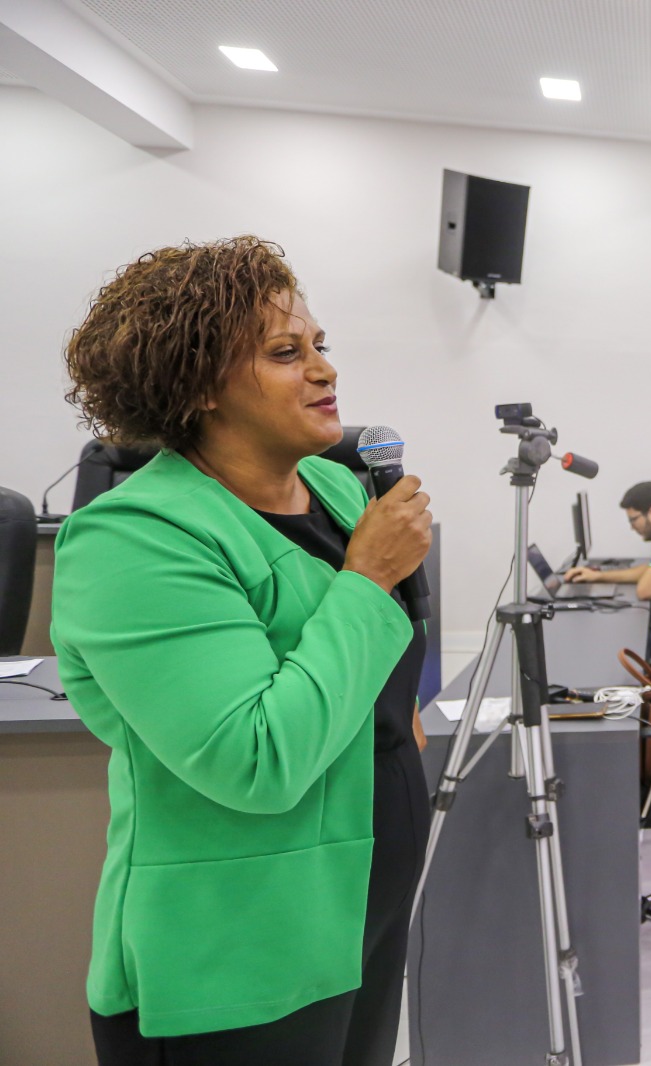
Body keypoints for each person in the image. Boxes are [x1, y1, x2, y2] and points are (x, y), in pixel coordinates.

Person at [51, 237, 432, 1064]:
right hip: (237, 949)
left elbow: (369, 665)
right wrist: (367, 580)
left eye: (320, 345)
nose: (325, 371)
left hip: (362, 913)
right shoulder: (135, 538)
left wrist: (398, 718)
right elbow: (253, 759)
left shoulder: (335, 486)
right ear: (197, 387)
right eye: (285, 352)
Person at [565, 481, 651, 652]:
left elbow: (647, 591)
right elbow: (649, 569)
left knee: (629, 642)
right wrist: (598, 576)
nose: (632, 527)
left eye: (633, 519)